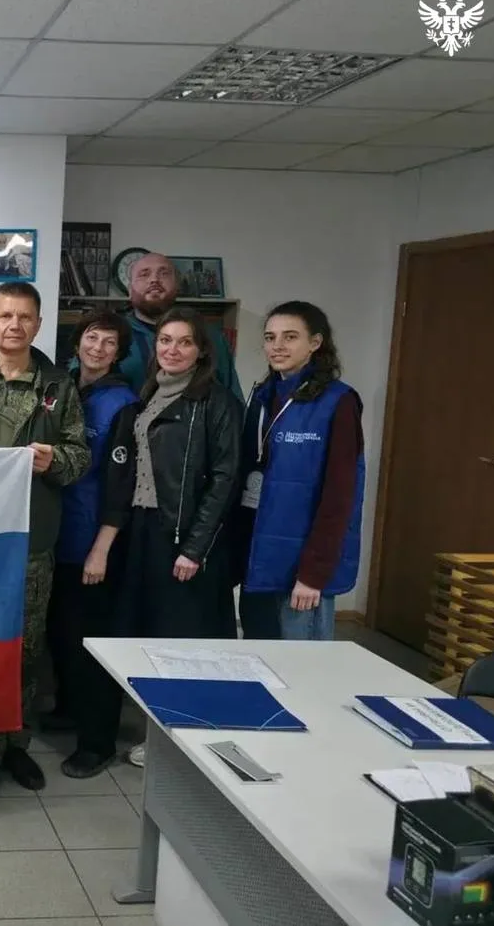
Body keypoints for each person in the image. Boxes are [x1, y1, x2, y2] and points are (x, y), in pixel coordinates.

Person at [0, 282, 90, 803]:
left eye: (25, 317)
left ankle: (13, 744)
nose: (15, 325)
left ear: (39, 324)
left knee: (24, 647)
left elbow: (80, 453)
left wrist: (56, 461)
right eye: (5, 316)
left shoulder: (58, 383)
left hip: (30, 537)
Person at [112, 307, 242, 767]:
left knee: (183, 641)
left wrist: (194, 548)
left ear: (202, 351)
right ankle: (163, 732)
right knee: (151, 636)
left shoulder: (216, 401)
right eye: (165, 340)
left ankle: (185, 739)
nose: (173, 349)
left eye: (184, 342)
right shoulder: (149, 394)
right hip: (145, 529)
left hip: (184, 538)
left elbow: (225, 480)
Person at [42, 311, 138, 779]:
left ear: (119, 352)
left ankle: (97, 742)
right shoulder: (61, 388)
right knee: (60, 634)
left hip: (94, 543)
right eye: (91, 337)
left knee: (91, 645)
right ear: (78, 341)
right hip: (58, 537)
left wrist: (101, 548)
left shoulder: (122, 403)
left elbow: (122, 486)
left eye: (109, 342)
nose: (98, 348)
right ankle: (67, 710)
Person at [232, 301, 364, 641]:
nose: (277, 346)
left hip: (301, 568)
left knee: (299, 664)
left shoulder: (338, 402)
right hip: (259, 561)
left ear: (315, 343)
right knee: (259, 657)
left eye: (290, 337)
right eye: (270, 337)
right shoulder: (263, 396)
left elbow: (340, 496)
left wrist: (313, 574)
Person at [116, 253, 243, 403]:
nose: (154, 279)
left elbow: (233, 399)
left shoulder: (210, 336)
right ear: (129, 289)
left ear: (177, 286)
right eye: (144, 274)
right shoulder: (112, 336)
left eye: (164, 273)